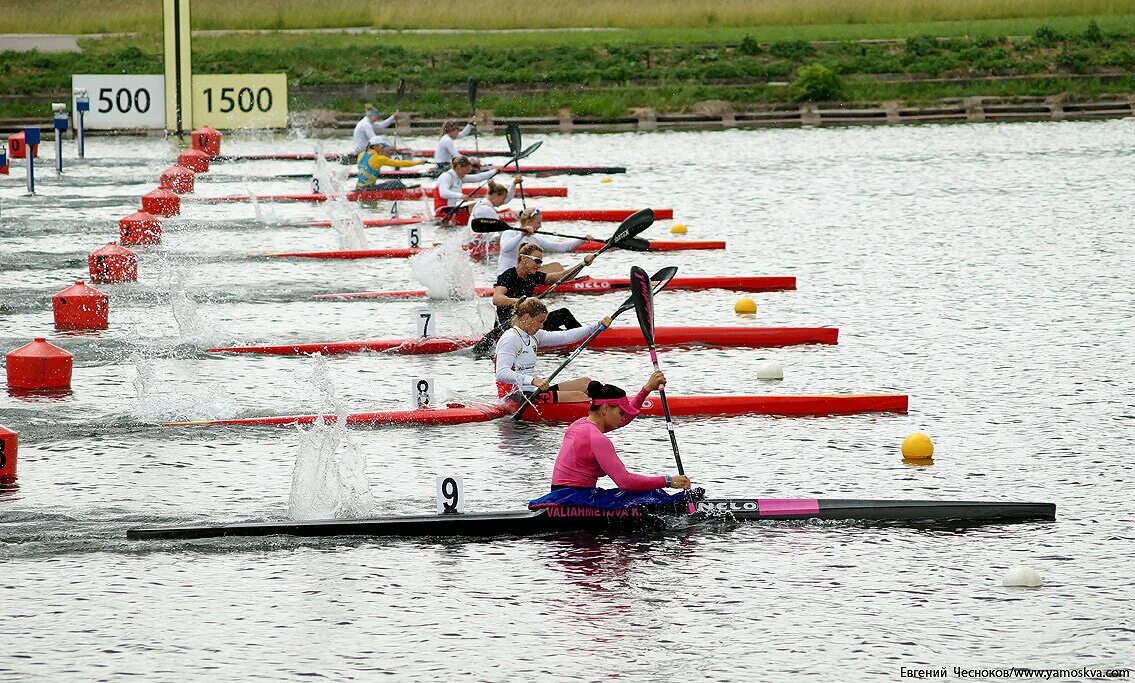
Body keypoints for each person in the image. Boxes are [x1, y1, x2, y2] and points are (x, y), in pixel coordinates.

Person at [545, 374, 691, 492]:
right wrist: (668, 481)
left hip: (562, 495)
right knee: (650, 495)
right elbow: (625, 482)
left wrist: (646, 389)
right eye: (621, 412)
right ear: (605, 409)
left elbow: (625, 419)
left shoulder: (579, 425)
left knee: (644, 491)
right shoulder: (597, 438)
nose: (623, 417)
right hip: (573, 501)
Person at [494, 297, 612, 403]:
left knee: (586, 382)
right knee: (578, 396)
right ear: (526, 318)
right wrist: (533, 380)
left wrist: (597, 324)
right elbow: (501, 373)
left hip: (532, 391)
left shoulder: (535, 336)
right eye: (540, 321)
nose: (542, 326)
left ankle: (604, 403)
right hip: (514, 397)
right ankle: (601, 410)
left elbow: (567, 336)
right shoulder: (510, 338)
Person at [493, 243, 593, 331]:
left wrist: (583, 264)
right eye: (537, 261)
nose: (539, 265)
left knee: (564, 314)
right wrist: (520, 301)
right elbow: (496, 299)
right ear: (523, 258)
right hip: (510, 325)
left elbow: (563, 276)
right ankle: (571, 337)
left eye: (541, 262)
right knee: (552, 330)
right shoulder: (508, 275)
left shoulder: (533, 276)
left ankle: (582, 335)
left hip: (528, 322)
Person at [497, 207, 596, 277]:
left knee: (556, 266)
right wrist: (522, 234)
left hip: (524, 276)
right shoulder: (509, 232)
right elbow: (506, 248)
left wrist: (581, 240)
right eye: (539, 222)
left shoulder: (536, 239)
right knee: (556, 268)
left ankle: (566, 282)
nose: (540, 226)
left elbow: (560, 248)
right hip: (505, 277)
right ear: (528, 222)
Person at [433, 155, 504, 226]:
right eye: (466, 169)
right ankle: (490, 216)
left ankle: (489, 214)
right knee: (478, 205)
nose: (467, 172)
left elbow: (477, 177)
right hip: (442, 211)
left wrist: (494, 171)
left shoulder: (459, 177)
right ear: (458, 167)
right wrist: (462, 196)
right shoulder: (446, 176)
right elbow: (443, 193)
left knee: (479, 204)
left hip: (452, 210)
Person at [467, 177, 522, 258]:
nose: (504, 202)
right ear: (496, 195)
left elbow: (508, 199)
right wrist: (521, 235)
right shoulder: (487, 209)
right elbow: (503, 232)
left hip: (476, 240)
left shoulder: (482, 202)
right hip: (477, 246)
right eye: (503, 198)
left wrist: (514, 184)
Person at [356, 137, 425, 191]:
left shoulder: (361, 154)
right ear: (374, 146)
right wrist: (419, 162)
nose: (383, 148)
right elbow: (400, 163)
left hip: (359, 188)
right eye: (381, 146)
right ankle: (407, 190)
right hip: (368, 189)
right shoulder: (378, 158)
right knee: (396, 183)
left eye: (384, 147)